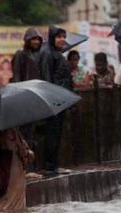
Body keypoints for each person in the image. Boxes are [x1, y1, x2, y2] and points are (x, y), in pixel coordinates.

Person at [39, 25, 73, 177]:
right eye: (59, 37)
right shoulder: (47, 53)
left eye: (64, 37)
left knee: (57, 133)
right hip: (53, 100)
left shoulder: (57, 53)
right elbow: (47, 78)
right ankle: (49, 166)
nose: (62, 40)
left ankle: (53, 165)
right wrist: (52, 99)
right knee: (52, 134)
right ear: (52, 38)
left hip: (60, 99)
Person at [12, 27, 43, 179]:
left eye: (38, 39)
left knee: (29, 134)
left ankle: (28, 168)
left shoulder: (34, 56)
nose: (36, 42)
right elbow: (17, 77)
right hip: (24, 99)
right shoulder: (21, 55)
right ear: (27, 40)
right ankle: (24, 169)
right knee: (23, 136)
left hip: (32, 98)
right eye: (33, 39)